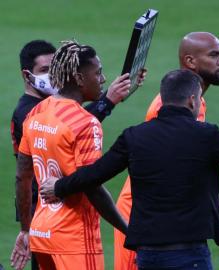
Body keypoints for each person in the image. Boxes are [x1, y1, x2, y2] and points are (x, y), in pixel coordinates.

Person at [39, 69, 219, 270]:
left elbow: (94, 174)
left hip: (149, 256)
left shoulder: (134, 136)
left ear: (163, 99)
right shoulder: (207, 135)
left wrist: (59, 186)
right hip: (190, 253)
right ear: (193, 101)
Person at [10, 39, 145, 270]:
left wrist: (26, 229)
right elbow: (92, 187)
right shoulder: (86, 123)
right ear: (80, 78)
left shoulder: (37, 111)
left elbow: (22, 177)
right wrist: (128, 231)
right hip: (75, 238)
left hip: (42, 233)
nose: (102, 80)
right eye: (98, 73)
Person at [114, 31, 219, 270]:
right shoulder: (171, 107)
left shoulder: (191, 102)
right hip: (143, 214)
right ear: (190, 61)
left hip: (152, 214)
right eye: (214, 54)